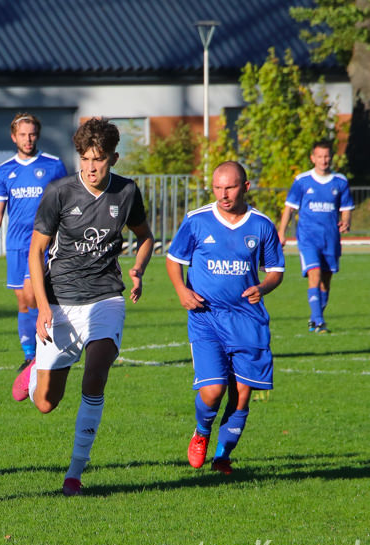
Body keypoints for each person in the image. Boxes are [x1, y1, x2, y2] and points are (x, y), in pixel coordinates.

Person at [21, 117, 153, 496]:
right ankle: (34, 374)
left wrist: (139, 269)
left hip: (106, 297)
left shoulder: (127, 192)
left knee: (95, 374)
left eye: (99, 159)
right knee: (46, 403)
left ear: (113, 157)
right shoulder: (59, 192)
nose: (91, 167)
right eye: (85, 158)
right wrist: (43, 308)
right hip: (60, 302)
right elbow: (36, 251)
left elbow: (145, 237)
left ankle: (74, 473)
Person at [167, 161, 284, 475]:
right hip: (207, 317)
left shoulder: (261, 225)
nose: (223, 194)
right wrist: (181, 291)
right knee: (213, 390)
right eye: (217, 188)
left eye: (229, 187)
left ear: (245, 187)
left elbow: (276, 271)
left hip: (247, 320)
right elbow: (173, 259)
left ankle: (222, 456)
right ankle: (202, 431)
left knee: (242, 393)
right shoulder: (196, 221)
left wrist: (263, 286)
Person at [0, 113, 67, 377]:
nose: (28, 139)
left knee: (32, 293)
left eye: (32, 134)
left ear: (38, 135)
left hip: (43, 242)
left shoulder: (53, 166)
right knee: (24, 301)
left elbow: (66, 203)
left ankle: (42, 352)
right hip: (16, 244)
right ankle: (31, 355)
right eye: (23, 135)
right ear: (13, 136)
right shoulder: (5, 170)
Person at [277, 140, 354, 333]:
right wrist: (281, 232)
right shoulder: (302, 181)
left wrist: (346, 221)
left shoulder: (340, 182)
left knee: (326, 281)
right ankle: (319, 322)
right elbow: (289, 208)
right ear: (313, 158)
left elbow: (346, 209)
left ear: (331, 157)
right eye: (319, 156)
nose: (323, 160)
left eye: (327, 156)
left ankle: (315, 318)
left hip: (331, 239)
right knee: (315, 272)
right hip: (308, 238)